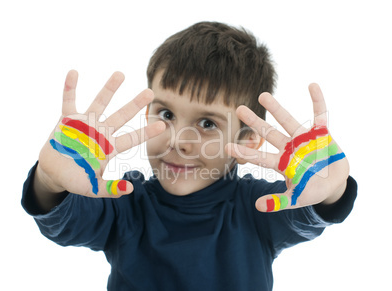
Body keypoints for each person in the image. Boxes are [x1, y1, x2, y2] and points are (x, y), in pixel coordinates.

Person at [22, 21, 357, 290]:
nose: (180, 141)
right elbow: (64, 223)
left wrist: (330, 188)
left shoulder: (260, 207)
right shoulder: (124, 201)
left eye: (207, 122)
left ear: (249, 140)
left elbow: (307, 213)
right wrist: (49, 181)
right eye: (166, 114)